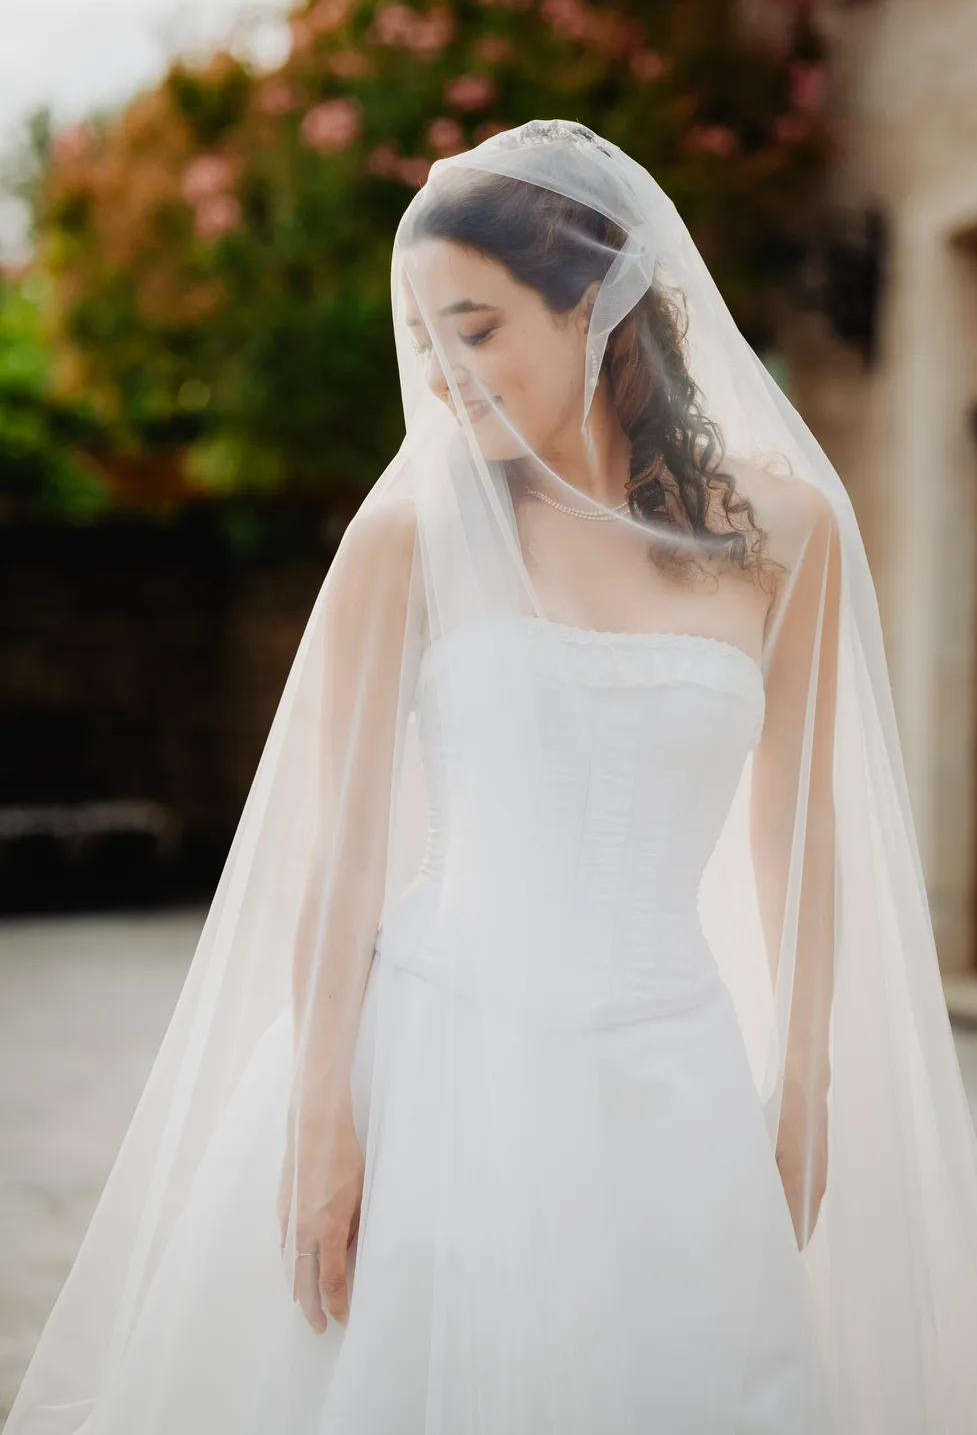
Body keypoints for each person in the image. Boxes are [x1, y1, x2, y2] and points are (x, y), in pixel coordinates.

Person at [8, 118, 977, 1435]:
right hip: (437, 1059)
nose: (445, 372)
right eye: (425, 338)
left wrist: (804, 1071)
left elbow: (795, 826)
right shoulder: (409, 538)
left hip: (668, 1072)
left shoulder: (784, 535)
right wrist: (323, 1114)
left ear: (600, 306)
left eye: (476, 326)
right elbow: (342, 853)